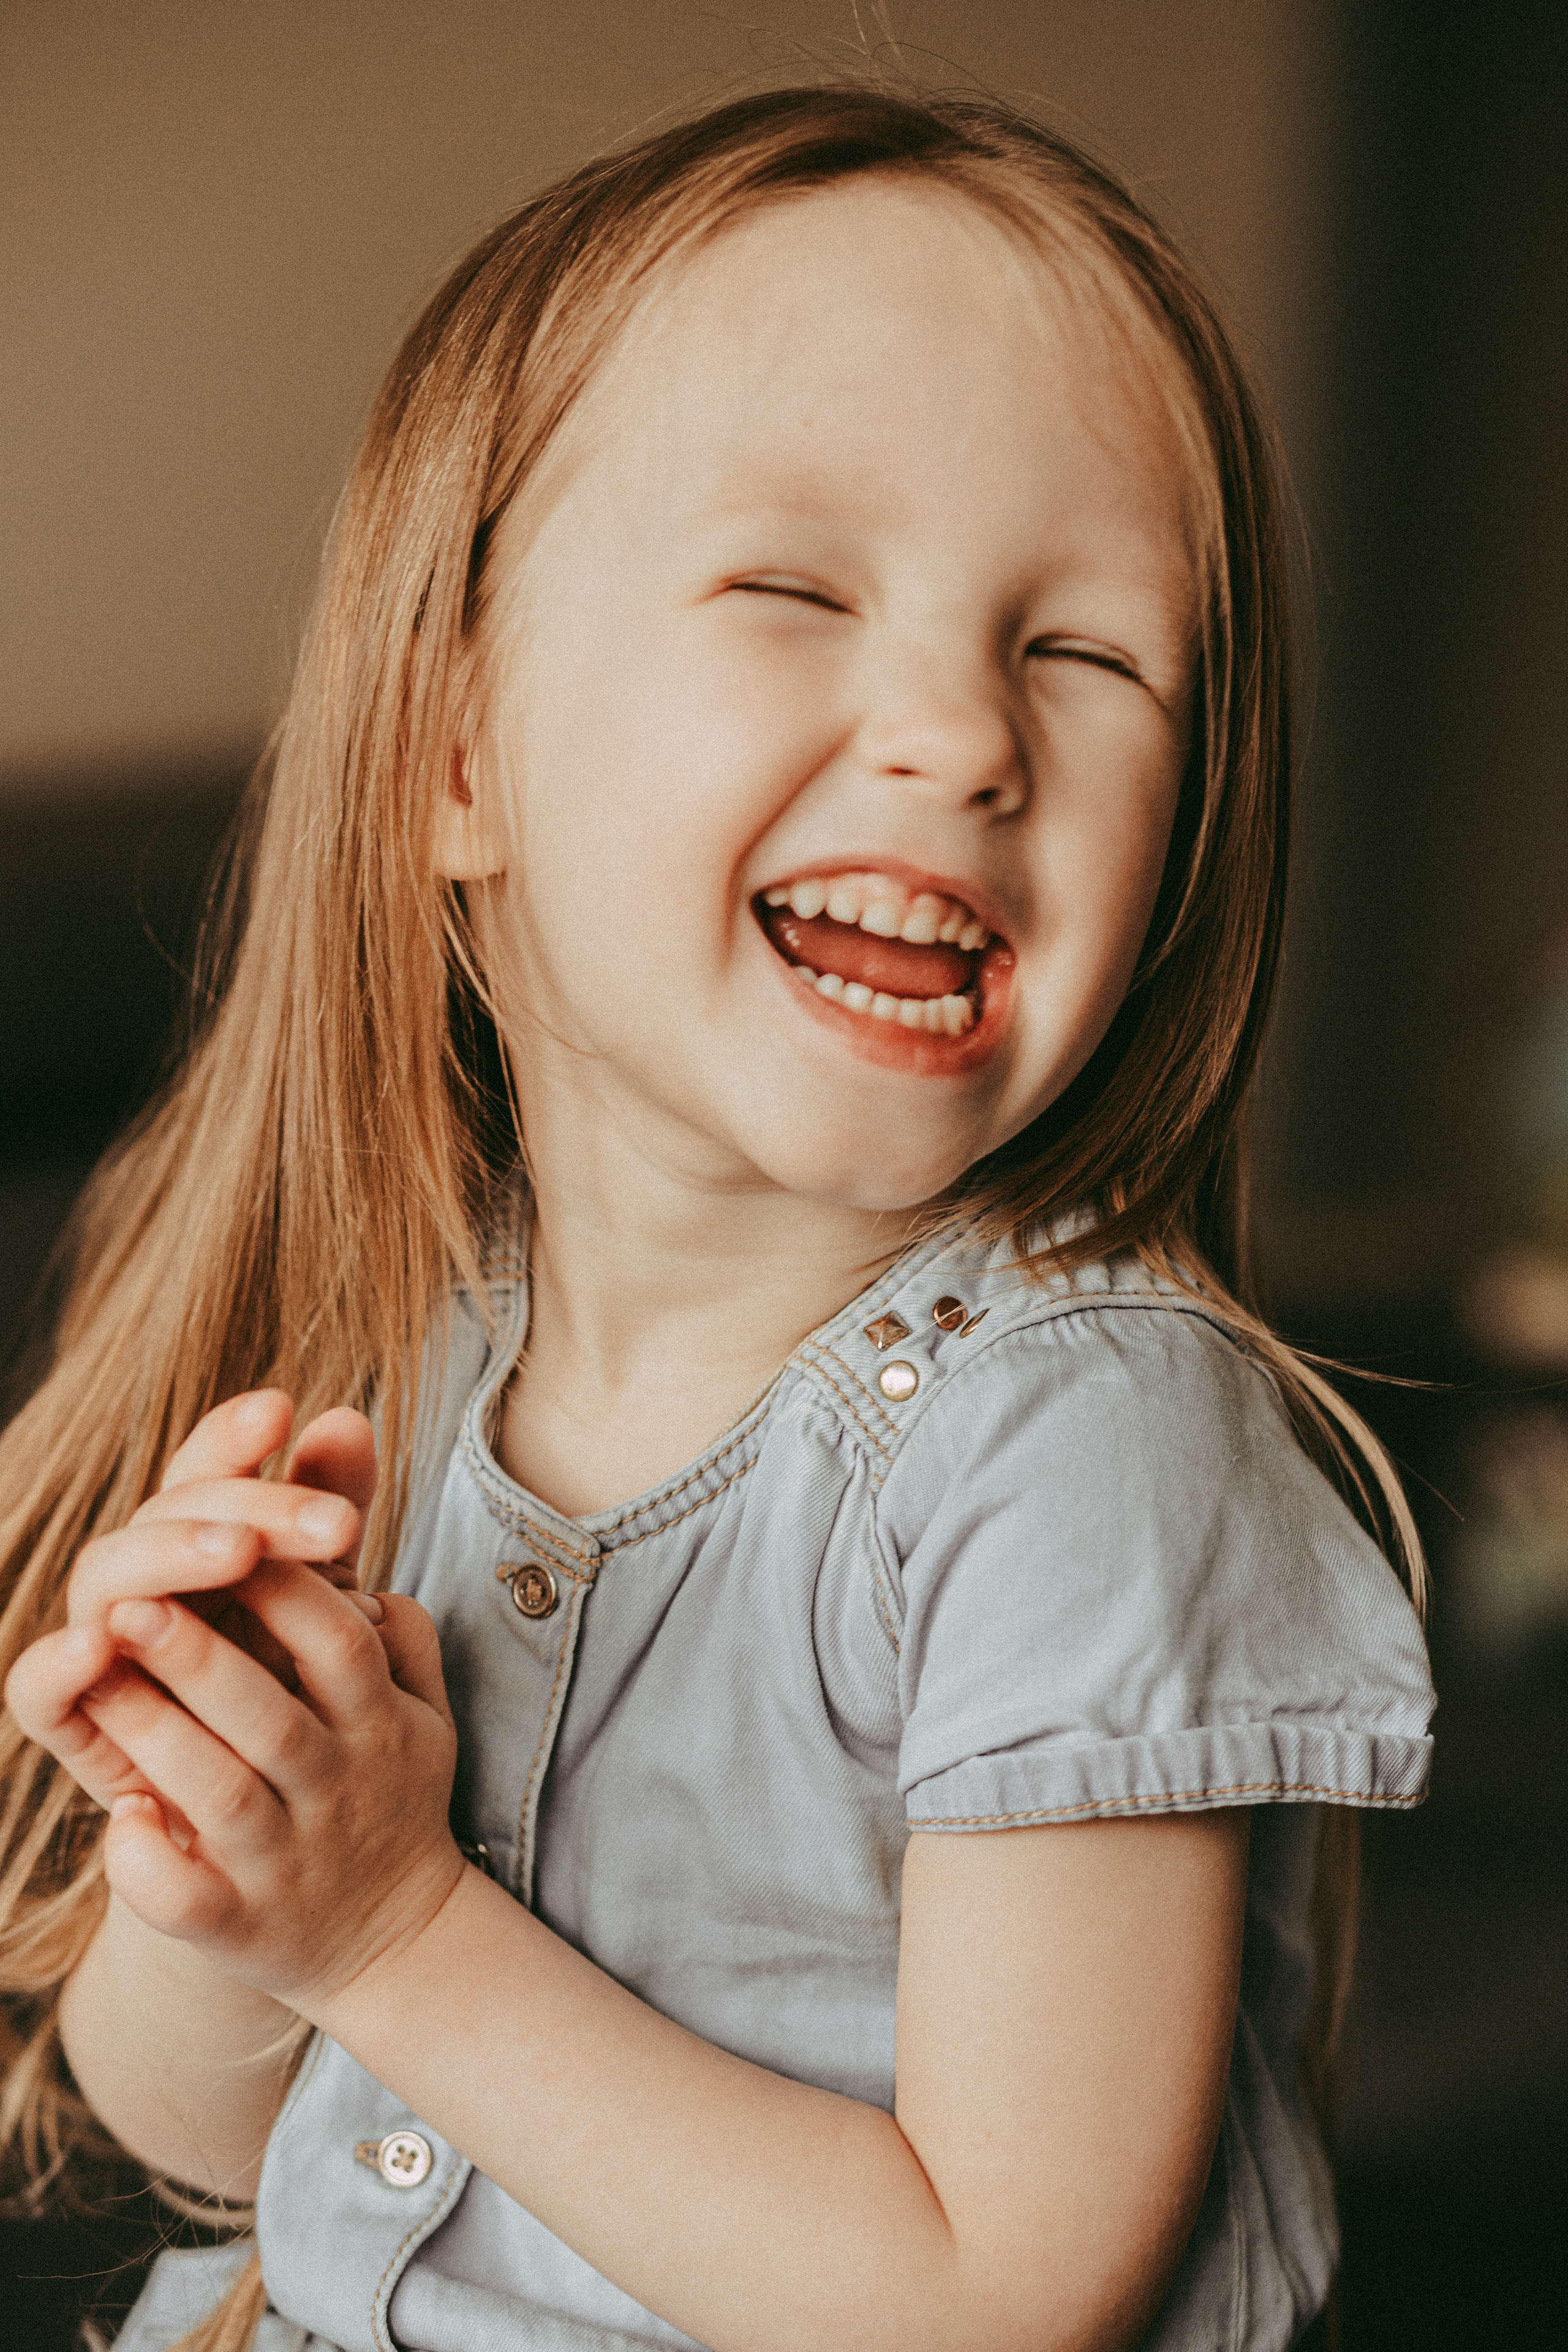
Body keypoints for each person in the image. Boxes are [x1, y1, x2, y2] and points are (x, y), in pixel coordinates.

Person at [0, 84, 1434, 2352]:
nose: (966, 735)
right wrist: (238, 1860)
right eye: (795, 590)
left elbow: (1000, 2295)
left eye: (1087, 654)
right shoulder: (414, 1362)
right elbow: (193, 2131)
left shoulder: (1082, 1449)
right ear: (456, 757)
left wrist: (398, 1934)